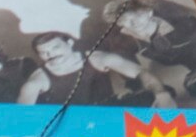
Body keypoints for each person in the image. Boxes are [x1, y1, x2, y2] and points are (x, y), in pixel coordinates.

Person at [16, 30, 170, 110]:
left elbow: (141, 72)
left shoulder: (96, 58)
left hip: (106, 108)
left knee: (161, 92)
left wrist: (161, 94)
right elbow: (21, 117)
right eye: (43, 53)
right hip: (72, 122)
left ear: (69, 43)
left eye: (55, 48)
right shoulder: (37, 81)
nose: (51, 55)